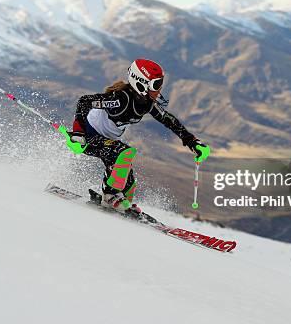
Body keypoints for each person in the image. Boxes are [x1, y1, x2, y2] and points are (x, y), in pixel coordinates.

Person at [66, 58, 209, 215]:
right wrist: (78, 132)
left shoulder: (146, 103)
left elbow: (168, 120)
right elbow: (85, 101)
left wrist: (192, 142)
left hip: (108, 142)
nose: (159, 90)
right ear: (141, 83)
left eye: (160, 84)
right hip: (88, 138)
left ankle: (122, 201)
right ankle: (110, 197)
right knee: (124, 152)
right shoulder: (121, 99)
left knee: (129, 183)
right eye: (155, 84)